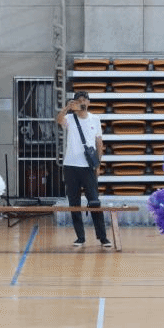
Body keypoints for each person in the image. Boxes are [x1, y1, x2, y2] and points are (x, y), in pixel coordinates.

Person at [58, 92, 110, 248]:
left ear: (88, 102)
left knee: (94, 201)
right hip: (70, 166)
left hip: (88, 166)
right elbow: (58, 120)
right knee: (74, 202)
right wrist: (67, 108)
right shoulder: (70, 118)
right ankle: (80, 237)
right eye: (78, 101)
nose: (81, 103)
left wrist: (98, 165)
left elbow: (99, 142)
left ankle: (102, 237)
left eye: (84, 100)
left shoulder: (95, 119)